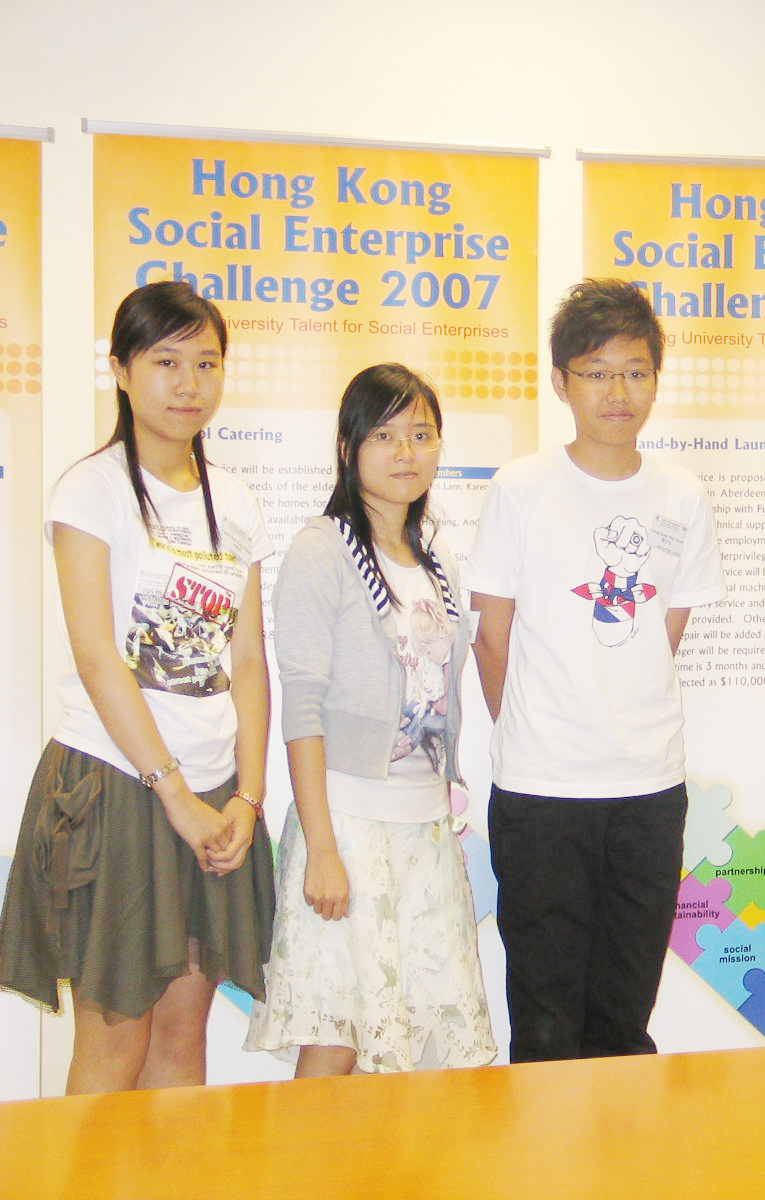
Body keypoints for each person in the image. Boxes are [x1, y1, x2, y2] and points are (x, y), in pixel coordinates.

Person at [0, 280, 274, 1092]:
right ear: (121, 371)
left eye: (206, 362)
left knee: (183, 1041)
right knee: (116, 1041)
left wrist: (246, 799)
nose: (189, 384)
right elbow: (97, 657)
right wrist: (176, 794)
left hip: (217, 796)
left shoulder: (238, 498)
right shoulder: (91, 489)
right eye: (165, 362)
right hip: (119, 789)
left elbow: (250, 660)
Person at [468, 279, 725, 1062]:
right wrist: (543, 731)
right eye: (597, 371)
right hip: (543, 792)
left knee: (623, 1015)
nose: (619, 390)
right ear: (561, 382)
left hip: (649, 789)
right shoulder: (521, 488)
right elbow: (491, 636)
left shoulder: (682, 495)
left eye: (637, 370)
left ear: (657, 378)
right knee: (545, 1020)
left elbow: (664, 633)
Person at [245, 364, 494, 1074]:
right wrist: (321, 848)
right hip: (348, 825)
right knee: (337, 1039)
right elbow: (302, 704)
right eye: (385, 435)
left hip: (423, 829)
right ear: (349, 447)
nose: (406, 452)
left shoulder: (439, 558)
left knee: (415, 1036)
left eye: (421, 434)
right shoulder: (320, 549)